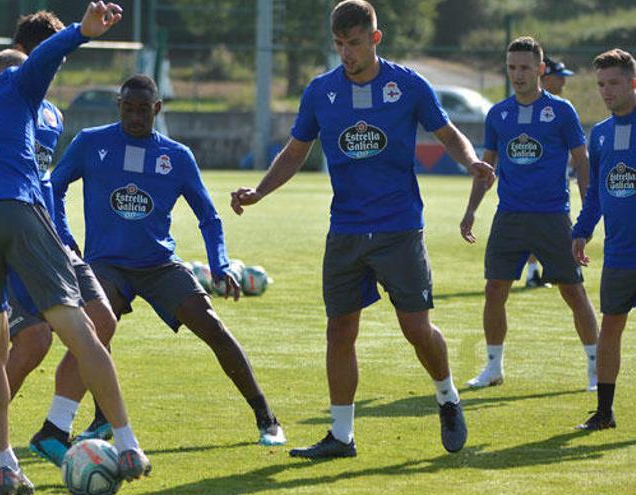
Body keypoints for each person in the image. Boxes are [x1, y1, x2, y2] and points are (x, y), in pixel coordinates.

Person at [231, 0, 493, 458]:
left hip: (399, 228)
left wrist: (470, 160)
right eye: (338, 44)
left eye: (354, 43)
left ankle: (447, 397)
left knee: (416, 329)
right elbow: (295, 152)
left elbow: (448, 133)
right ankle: (342, 435)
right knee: (340, 331)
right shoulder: (320, 92)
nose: (346, 53)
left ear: (375, 38)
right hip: (346, 230)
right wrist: (259, 191)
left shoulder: (407, 85)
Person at [0, 4, 150, 493]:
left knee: (6, 343)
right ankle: (125, 442)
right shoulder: (18, 83)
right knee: (65, 330)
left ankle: (12, 457)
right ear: (24, 63)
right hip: (18, 214)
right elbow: (47, 56)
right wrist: (84, 31)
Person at [49, 73, 287, 454]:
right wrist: (63, 236)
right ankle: (101, 420)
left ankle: (266, 417)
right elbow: (53, 185)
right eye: (128, 108)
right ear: (119, 106)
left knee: (213, 327)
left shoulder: (176, 157)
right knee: (96, 329)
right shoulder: (91, 143)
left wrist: (220, 264)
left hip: (159, 264)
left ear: (157, 109)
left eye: (144, 109)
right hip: (106, 263)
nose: (136, 116)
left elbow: (209, 216)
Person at [460, 37, 599, 391]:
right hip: (509, 217)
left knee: (573, 292)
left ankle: (597, 368)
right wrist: (471, 210)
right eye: (511, 68)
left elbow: (581, 161)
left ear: (539, 70)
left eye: (524, 68)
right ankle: (493, 367)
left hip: (553, 217)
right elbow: (486, 168)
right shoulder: (498, 114)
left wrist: (587, 209)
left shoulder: (562, 111)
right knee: (494, 290)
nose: (517, 75)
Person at [572, 48, 636, 430]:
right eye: (601, 85)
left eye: (614, 83)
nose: (606, 91)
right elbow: (596, 191)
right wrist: (582, 229)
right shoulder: (601, 134)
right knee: (611, 326)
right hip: (619, 254)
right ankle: (604, 412)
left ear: (632, 82)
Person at [522, 55, 578, 288]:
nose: (563, 82)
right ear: (545, 78)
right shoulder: (528, 107)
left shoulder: (561, 108)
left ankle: (538, 272)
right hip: (535, 187)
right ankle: (535, 272)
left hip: (556, 185)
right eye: (559, 77)